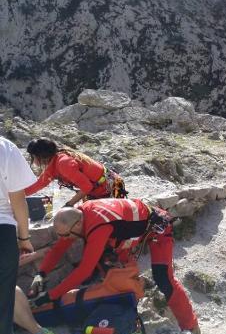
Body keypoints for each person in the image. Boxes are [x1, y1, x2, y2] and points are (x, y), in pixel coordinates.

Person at [30, 198, 200, 334]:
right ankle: (127, 302)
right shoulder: (81, 214)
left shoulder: (98, 227)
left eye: (67, 235)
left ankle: (191, 326)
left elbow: (84, 271)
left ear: (77, 225)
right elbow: (59, 247)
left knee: (164, 278)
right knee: (112, 272)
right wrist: (41, 274)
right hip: (127, 232)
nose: (67, 239)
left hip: (157, 229)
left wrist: (51, 296)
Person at [0, 136, 50, 334]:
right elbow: (18, 200)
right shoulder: (5, 146)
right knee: (4, 300)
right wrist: (24, 238)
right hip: (2, 231)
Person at [24, 138, 127, 207]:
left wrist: (69, 204)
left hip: (113, 186)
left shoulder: (63, 163)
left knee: (111, 220)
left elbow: (86, 187)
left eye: (32, 156)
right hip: (96, 190)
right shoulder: (53, 165)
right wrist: (14, 195)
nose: (32, 159)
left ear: (41, 155)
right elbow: (38, 185)